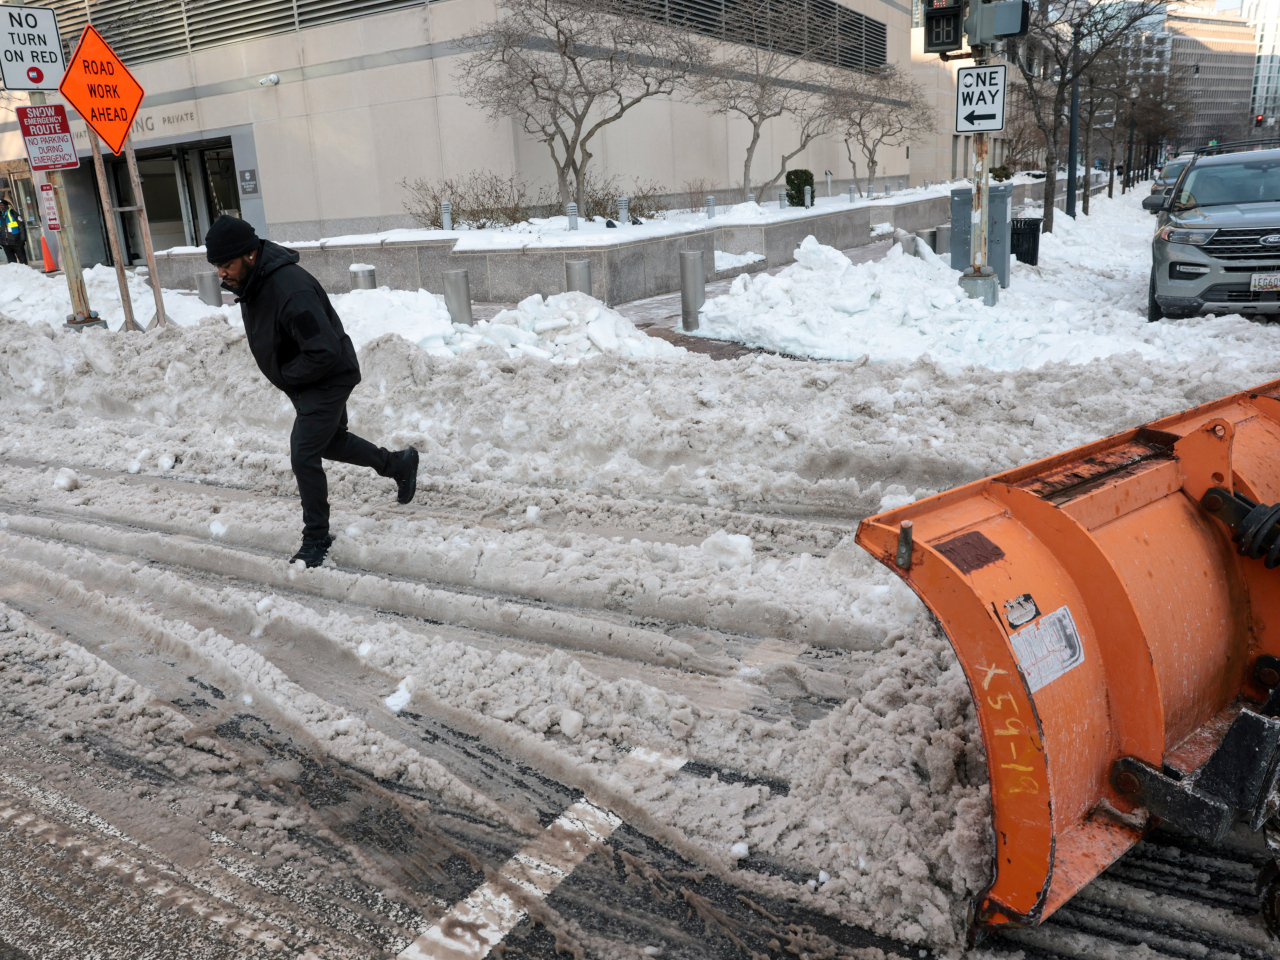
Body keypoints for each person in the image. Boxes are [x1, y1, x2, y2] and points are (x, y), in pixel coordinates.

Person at [205, 214, 418, 567]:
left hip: (326, 376)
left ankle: (316, 538)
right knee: (330, 441)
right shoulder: (257, 279)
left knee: (304, 454)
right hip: (311, 378)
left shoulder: (289, 289)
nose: (221, 274)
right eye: (216, 266)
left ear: (250, 255)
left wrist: (288, 375)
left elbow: (323, 350)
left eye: (226, 265)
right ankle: (397, 464)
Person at [1, 198, 27, 265]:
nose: (1, 207)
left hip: (17, 242)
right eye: (0, 205)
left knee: (22, 260)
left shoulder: (14, 213)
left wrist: (22, 239)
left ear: (7, 205)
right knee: (12, 262)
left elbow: (21, 227)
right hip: (5, 243)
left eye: (2, 205)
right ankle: (15, 274)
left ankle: (26, 273)